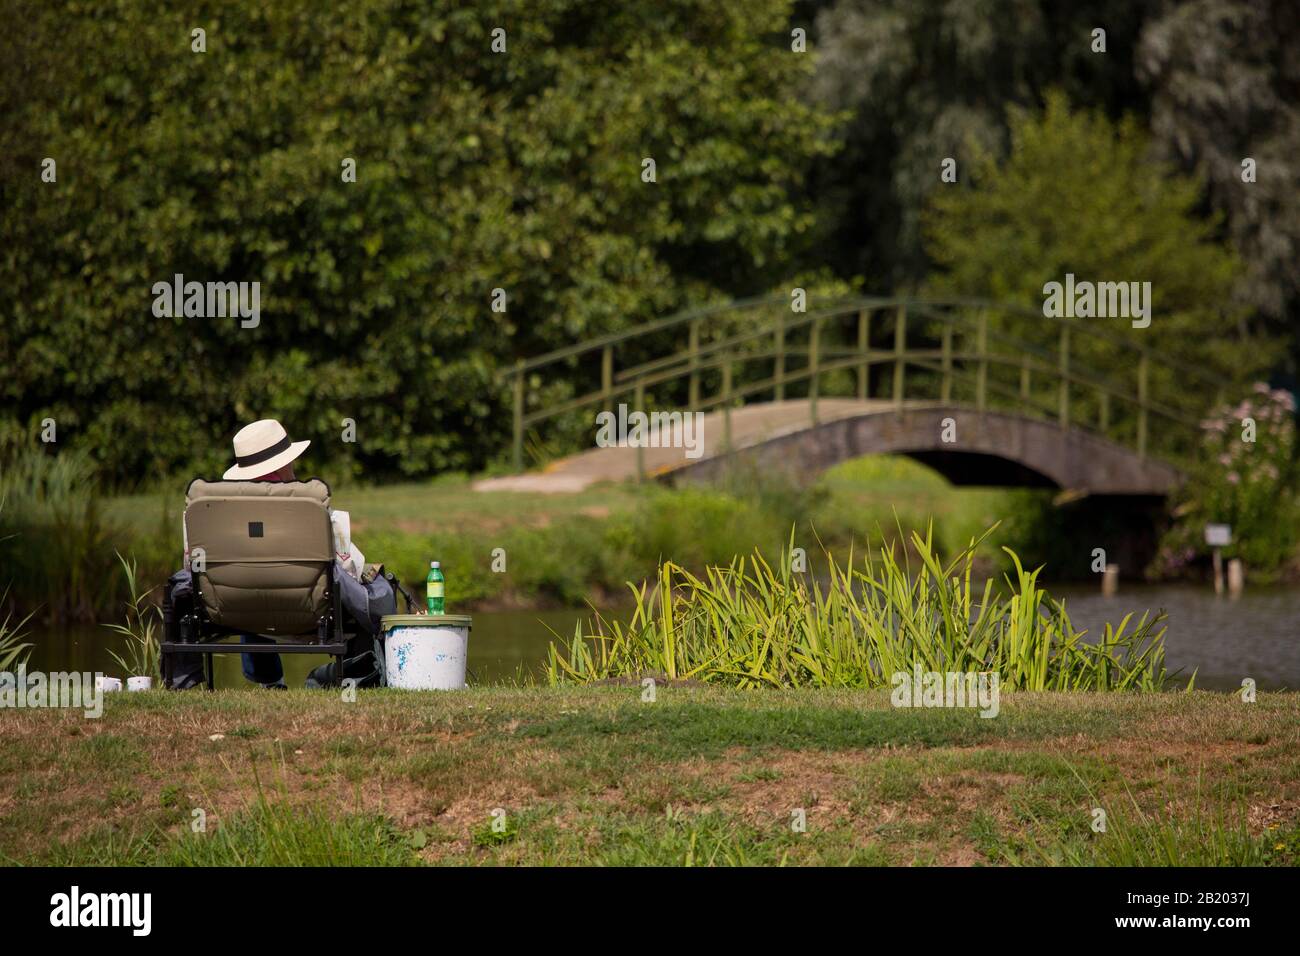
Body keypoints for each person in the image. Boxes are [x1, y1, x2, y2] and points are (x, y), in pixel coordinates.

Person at [163, 419, 394, 690]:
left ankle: (270, 682)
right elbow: (347, 571)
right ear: (284, 464)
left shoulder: (211, 511)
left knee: (253, 583)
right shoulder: (307, 505)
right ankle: (358, 674)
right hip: (310, 609)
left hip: (232, 608)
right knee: (367, 588)